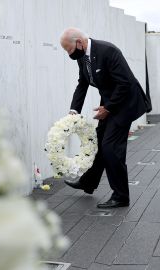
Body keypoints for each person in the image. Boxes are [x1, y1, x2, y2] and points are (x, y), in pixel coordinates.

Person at [60, 27, 152, 208]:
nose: (69, 54)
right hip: (110, 102)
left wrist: (108, 108)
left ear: (79, 42)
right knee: (99, 141)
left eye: (69, 50)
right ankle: (88, 182)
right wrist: (73, 111)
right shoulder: (82, 58)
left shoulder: (108, 51)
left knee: (110, 147)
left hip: (125, 102)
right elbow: (82, 84)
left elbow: (125, 82)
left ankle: (121, 196)